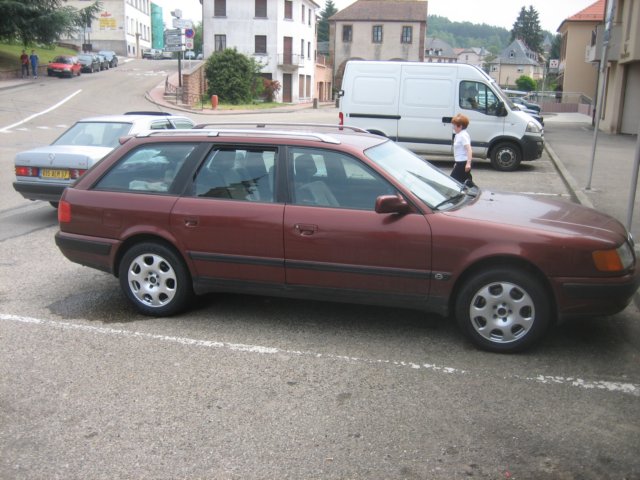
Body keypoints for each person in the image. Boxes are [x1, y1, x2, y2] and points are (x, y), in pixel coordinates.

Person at [450, 113, 473, 185]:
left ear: (460, 126)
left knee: (453, 181)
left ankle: (474, 191)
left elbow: (469, 149)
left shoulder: (463, 135)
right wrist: (456, 163)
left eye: (454, 125)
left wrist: (468, 163)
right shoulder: (459, 135)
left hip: (463, 163)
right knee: (464, 181)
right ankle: (473, 191)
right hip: (460, 162)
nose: (453, 127)